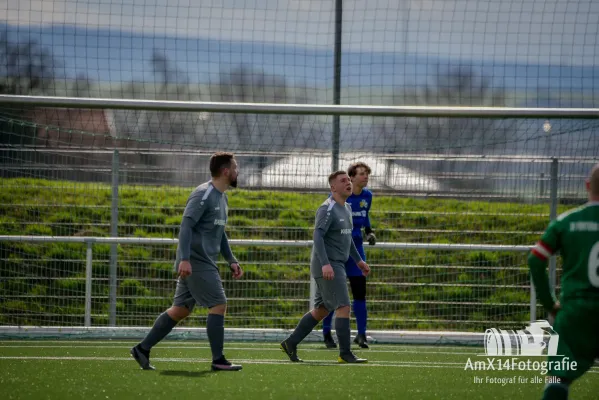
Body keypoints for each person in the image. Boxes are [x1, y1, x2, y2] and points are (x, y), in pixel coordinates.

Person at [131, 152, 244, 371]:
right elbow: (186, 226)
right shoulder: (203, 194)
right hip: (196, 262)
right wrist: (184, 259)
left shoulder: (223, 197)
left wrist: (231, 259)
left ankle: (142, 349)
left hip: (203, 262)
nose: (237, 171)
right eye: (235, 167)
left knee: (180, 310)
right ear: (225, 171)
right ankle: (218, 360)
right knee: (218, 304)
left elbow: (219, 233)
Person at [280, 170, 371, 363]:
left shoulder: (346, 208)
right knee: (344, 306)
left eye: (348, 179)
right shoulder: (326, 208)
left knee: (322, 310)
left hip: (337, 264)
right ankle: (345, 353)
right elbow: (318, 237)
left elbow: (348, 239)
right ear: (333, 187)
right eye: (343, 181)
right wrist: (326, 264)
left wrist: (359, 261)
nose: (348, 182)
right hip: (328, 265)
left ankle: (290, 343)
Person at [527, 163, 599, 400]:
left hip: (574, 312)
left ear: (587, 186)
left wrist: (550, 305)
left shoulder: (567, 221)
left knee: (558, 380)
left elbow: (536, 260)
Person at [322, 162, 375, 349]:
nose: (365, 177)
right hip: (338, 250)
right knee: (334, 294)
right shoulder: (338, 198)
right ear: (351, 178)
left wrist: (369, 232)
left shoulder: (367, 196)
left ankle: (361, 334)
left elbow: (365, 217)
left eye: (366, 173)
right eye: (361, 174)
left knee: (360, 293)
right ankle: (327, 332)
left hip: (356, 251)